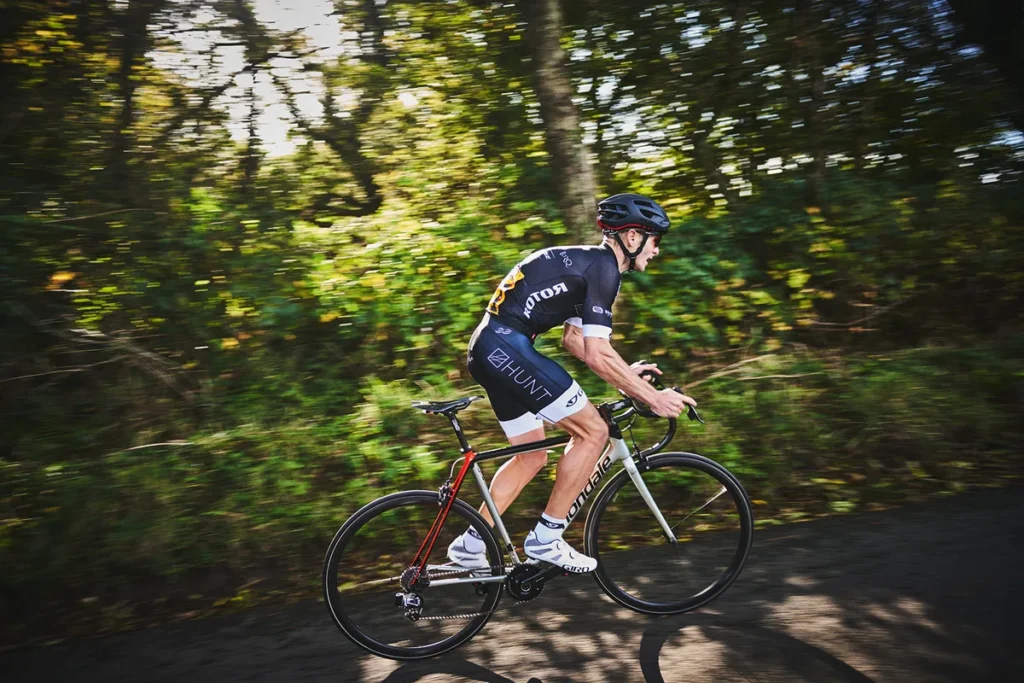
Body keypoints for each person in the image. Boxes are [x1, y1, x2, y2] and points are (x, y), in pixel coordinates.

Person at [447, 193, 697, 573]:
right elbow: (597, 354)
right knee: (593, 432)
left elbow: (575, 342)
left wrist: (629, 377)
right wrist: (653, 398)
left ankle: (471, 544)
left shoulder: (589, 264)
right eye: (655, 241)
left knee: (531, 456)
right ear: (633, 238)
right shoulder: (604, 270)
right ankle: (546, 538)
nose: (657, 251)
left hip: (489, 348)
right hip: (506, 347)